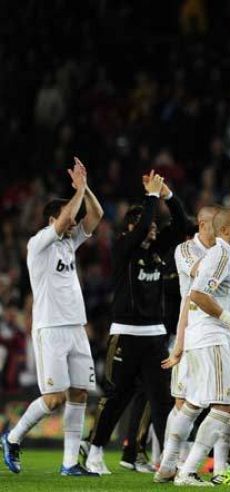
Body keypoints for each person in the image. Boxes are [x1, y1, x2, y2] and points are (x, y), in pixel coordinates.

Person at [158, 206, 230, 486]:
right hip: (211, 337)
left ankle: (168, 465)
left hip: (201, 337)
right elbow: (198, 294)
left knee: (193, 405)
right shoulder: (221, 254)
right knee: (224, 408)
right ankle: (187, 471)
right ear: (223, 230)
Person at [2, 158, 103, 476]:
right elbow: (64, 222)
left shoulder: (69, 244)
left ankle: (70, 463)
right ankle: (12, 437)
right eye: (68, 218)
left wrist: (85, 190)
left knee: (79, 393)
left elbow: (96, 215)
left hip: (76, 327)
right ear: (51, 219)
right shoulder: (39, 243)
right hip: (50, 328)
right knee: (55, 397)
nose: (74, 223)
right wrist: (78, 191)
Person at [83, 171, 187, 475]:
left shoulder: (156, 252)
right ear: (130, 228)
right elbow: (142, 228)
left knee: (161, 401)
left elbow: (180, 225)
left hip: (155, 337)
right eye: (148, 226)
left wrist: (167, 195)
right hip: (125, 335)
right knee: (117, 396)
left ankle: (170, 460)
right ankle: (95, 449)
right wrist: (150, 197)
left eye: (154, 226)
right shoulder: (123, 250)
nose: (153, 230)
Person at [156, 204, 220, 480]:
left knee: (196, 403)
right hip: (194, 331)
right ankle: (174, 461)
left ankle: (172, 462)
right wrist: (225, 253)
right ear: (204, 224)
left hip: (212, 333)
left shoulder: (222, 250)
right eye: (219, 223)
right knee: (186, 402)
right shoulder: (186, 249)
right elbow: (197, 276)